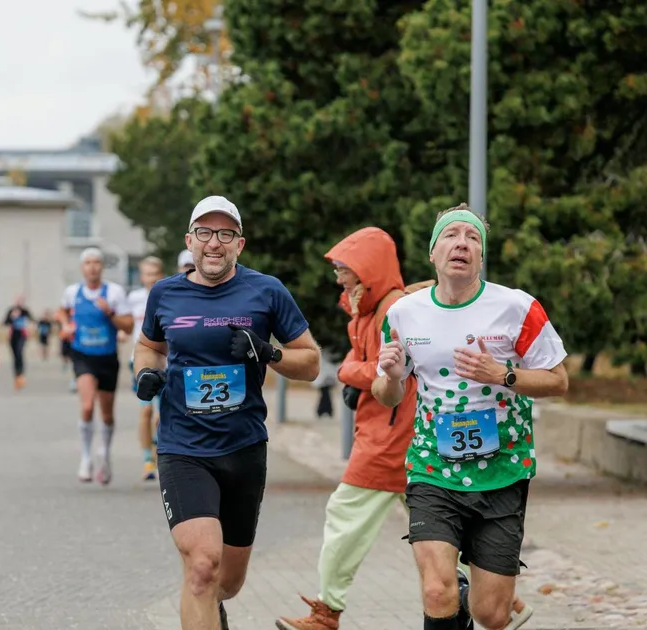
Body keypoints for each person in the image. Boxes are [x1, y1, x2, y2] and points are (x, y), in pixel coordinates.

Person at [373, 204, 566, 630]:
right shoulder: (404, 314)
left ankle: (468, 597)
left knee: (491, 615)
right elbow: (386, 396)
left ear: (481, 255)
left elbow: (558, 381)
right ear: (432, 252)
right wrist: (388, 375)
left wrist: (503, 374)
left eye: (472, 237)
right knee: (435, 590)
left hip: (503, 470)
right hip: (432, 467)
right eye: (451, 235)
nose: (462, 243)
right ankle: (451, 595)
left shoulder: (517, 307)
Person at [133, 195, 322, 630]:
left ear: (240, 243)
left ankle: (212, 612)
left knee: (228, 581)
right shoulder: (165, 293)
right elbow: (149, 346)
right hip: (183, 448)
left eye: (224, 234)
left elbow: (310, 362)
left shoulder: (267, 291)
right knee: (202, 566)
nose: (213, 243)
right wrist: (146, 373)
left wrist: (268, 351)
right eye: (204, 233)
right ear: (190, 241)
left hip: (243, 448)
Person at [276, 227, 420, 630]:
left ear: (368, 270)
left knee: (345, 515)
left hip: (389, 438)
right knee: (436, 528)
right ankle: (498, 599)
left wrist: (346, 371)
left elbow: (385, 368)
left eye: (345, 268)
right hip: (391, 434)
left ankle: (326, 613)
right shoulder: (374, 307)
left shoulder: (390, 311)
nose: (339, 276)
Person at [60, 248, 134, 484]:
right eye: (88, 263)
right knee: (87, 405)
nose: (92, 267)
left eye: (96, 263)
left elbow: (129, 327)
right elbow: (61, 312)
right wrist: (66, 324)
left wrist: (110, 312)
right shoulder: (73, 292)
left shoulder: (114, 293)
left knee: (107, 413)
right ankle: (85, 457)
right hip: (83, 356)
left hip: (107, 358)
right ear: (82, 267)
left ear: (102, 267)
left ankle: (104, 453)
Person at [127, 256, 165, 481]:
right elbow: (127, 324)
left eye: (154, 274)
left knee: (161, 415)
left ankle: (159, 451)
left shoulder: (168, 295)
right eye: (146, 274)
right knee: (145, 411)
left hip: (165, 362)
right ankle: (147, 460)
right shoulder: (133, 298)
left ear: (161, 275)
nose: (150, 278)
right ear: (141, 276)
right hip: (140, 361)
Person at [4, 296, 31, 390]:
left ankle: (21, 374)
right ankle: (16, 375)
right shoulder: (11, 310)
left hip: (22, 335)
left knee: (20, 352)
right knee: (15, 355)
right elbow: (5, 322)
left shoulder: (25, 311)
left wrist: (29, 327)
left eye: (20, 300)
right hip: (13, 336)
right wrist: (12, 317)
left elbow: (31, 320)